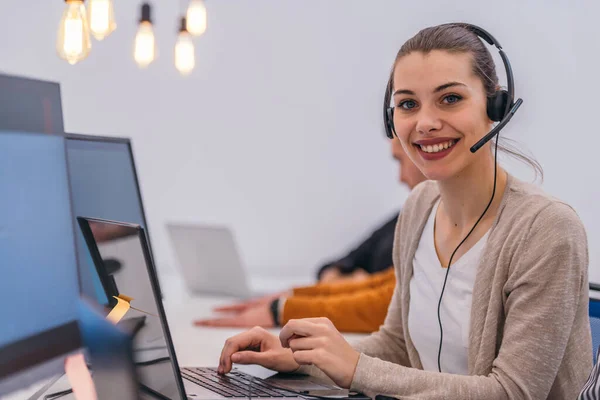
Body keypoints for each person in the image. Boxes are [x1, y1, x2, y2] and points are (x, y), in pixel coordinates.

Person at [214, 23, 592, 399]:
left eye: (450, 99)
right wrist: (305, 359)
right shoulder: (419, 206)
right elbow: (397, 346)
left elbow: (513, 392)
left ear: (496, 106)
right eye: (408, 104)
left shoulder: (547, 230)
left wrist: (357, 368)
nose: (425, 123)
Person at [194, 139, 426, 332]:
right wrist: (293, 297)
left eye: (400, 161)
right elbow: (352, 270)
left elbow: (386, 301)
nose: (400, 177)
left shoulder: (434, 226)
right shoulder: (406, 218)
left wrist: (282, 308)